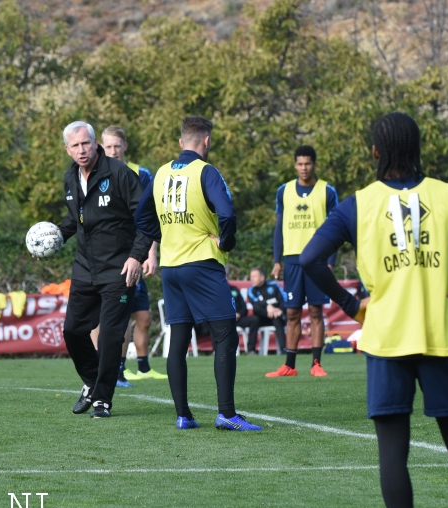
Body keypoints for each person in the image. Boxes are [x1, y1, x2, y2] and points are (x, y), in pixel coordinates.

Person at [299, 112, 448, 508]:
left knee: (392, 453)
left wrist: (351, 305)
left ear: (375, 152)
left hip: (385, 340)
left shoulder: (358, 203)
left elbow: (309, 258)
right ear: (418, 149)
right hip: (441, 336)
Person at [135, 116, 262, 431]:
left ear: (181, 143)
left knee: (179, 337)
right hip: (202, 263)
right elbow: (228, 213)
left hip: (171, 267)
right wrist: (226, 241)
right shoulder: (207, 172)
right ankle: (227, 414)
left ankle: (183, 415)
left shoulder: (162, 173)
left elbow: (141, 215)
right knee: (224, 334)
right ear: (207, 142)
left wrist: (164, 235)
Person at [58, 121, 151, 418]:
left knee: (111, 335)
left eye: (86, 143)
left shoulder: (120, 173)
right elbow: (75, 221)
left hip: (119, 269)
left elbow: (146, 218)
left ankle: (102, 400)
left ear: (95, 142)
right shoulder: (70, 178)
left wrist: (137, 256)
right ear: (67, 149)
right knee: (72, 331)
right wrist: (54, 236)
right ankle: (90, 381)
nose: (82, 150)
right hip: (85, 268)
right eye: (75, 146)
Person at [100, 126, 167, 386]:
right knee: (119, 316)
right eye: (108, 146)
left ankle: (143, 367)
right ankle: (116, 370)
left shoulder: (142, 174)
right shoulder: (97, 173)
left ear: (125, 146)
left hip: (137, 253)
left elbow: (150, 217)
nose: (113, 151)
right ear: (101, 147)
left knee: (143, 317)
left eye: (117, 145)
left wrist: (151, 254)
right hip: (114, 258)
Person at [268, 145, 338, 378]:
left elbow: (336, 228)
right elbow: (279, 227)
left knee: (316, 311)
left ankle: (316, 363)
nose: (303, 168)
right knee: (292, 313)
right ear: (295, 165)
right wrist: (277, 261)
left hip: (317, 259)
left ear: (314, 164)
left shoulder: (327, 191)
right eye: (299, 163)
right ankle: (289, 365)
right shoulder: (284, 191)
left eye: (308, 163)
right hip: (292, 261)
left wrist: (331, 260)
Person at [240, 267, 286, 355]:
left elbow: (284, 299)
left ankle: (283, 350)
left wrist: (279, 310)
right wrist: (268, 307)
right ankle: (251, 350)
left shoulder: (274, 285)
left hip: (277, 316)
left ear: (262, 277)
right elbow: (256, 305)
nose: (251, 279)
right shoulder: (251, 290)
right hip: (262, 318)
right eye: (251, 277)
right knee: (254, 319)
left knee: (277, 320)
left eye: (254, 276)